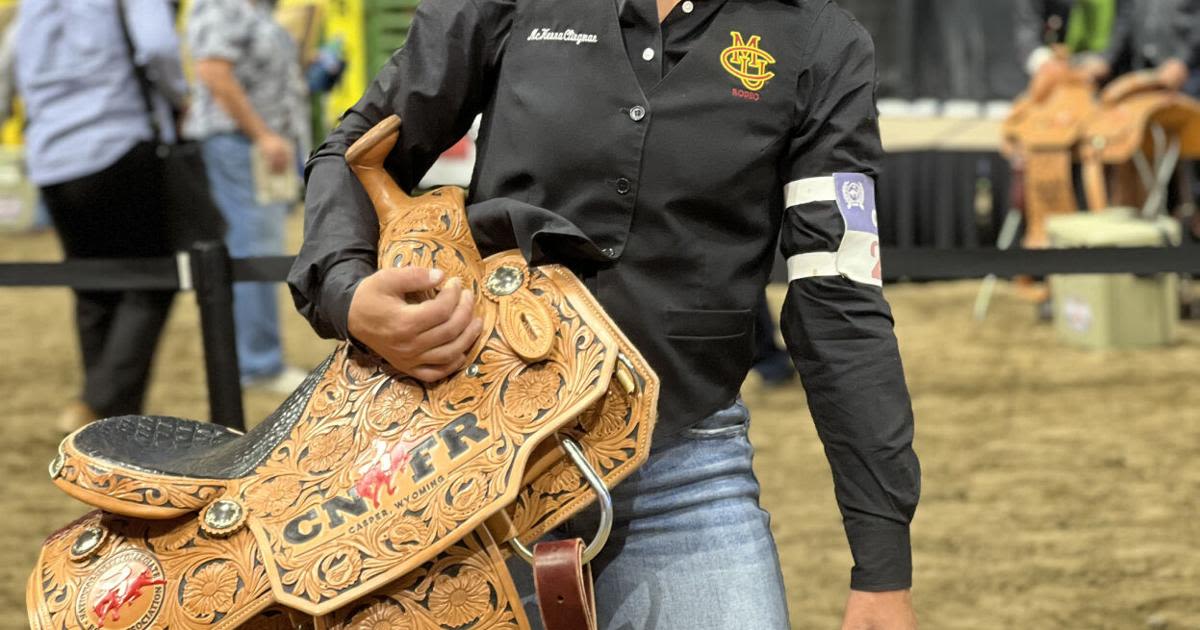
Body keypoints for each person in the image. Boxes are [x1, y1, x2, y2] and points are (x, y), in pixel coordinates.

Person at [291, 0, 921, 627]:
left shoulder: (819, 39)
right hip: (466, 463)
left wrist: (882, 568)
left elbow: (838, 301)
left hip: (681, 470)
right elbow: (355, 149)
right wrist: (348, 295)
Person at [15, 0, 186, 432]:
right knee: (153, 281)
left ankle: (106, 427)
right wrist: (179, 97)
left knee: (94, 288)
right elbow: (159, 46)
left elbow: (7, 60)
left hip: (51, 159)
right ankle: (99, 402)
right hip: (119, 143)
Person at [185, 0, 310, 393]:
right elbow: (213, 73)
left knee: (258, 243)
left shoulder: (254, 11)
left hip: (253, 144)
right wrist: (263, 135)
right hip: (240, 144)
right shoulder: (222, 6)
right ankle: (259, 363)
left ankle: (256, 357)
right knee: (254, 247)